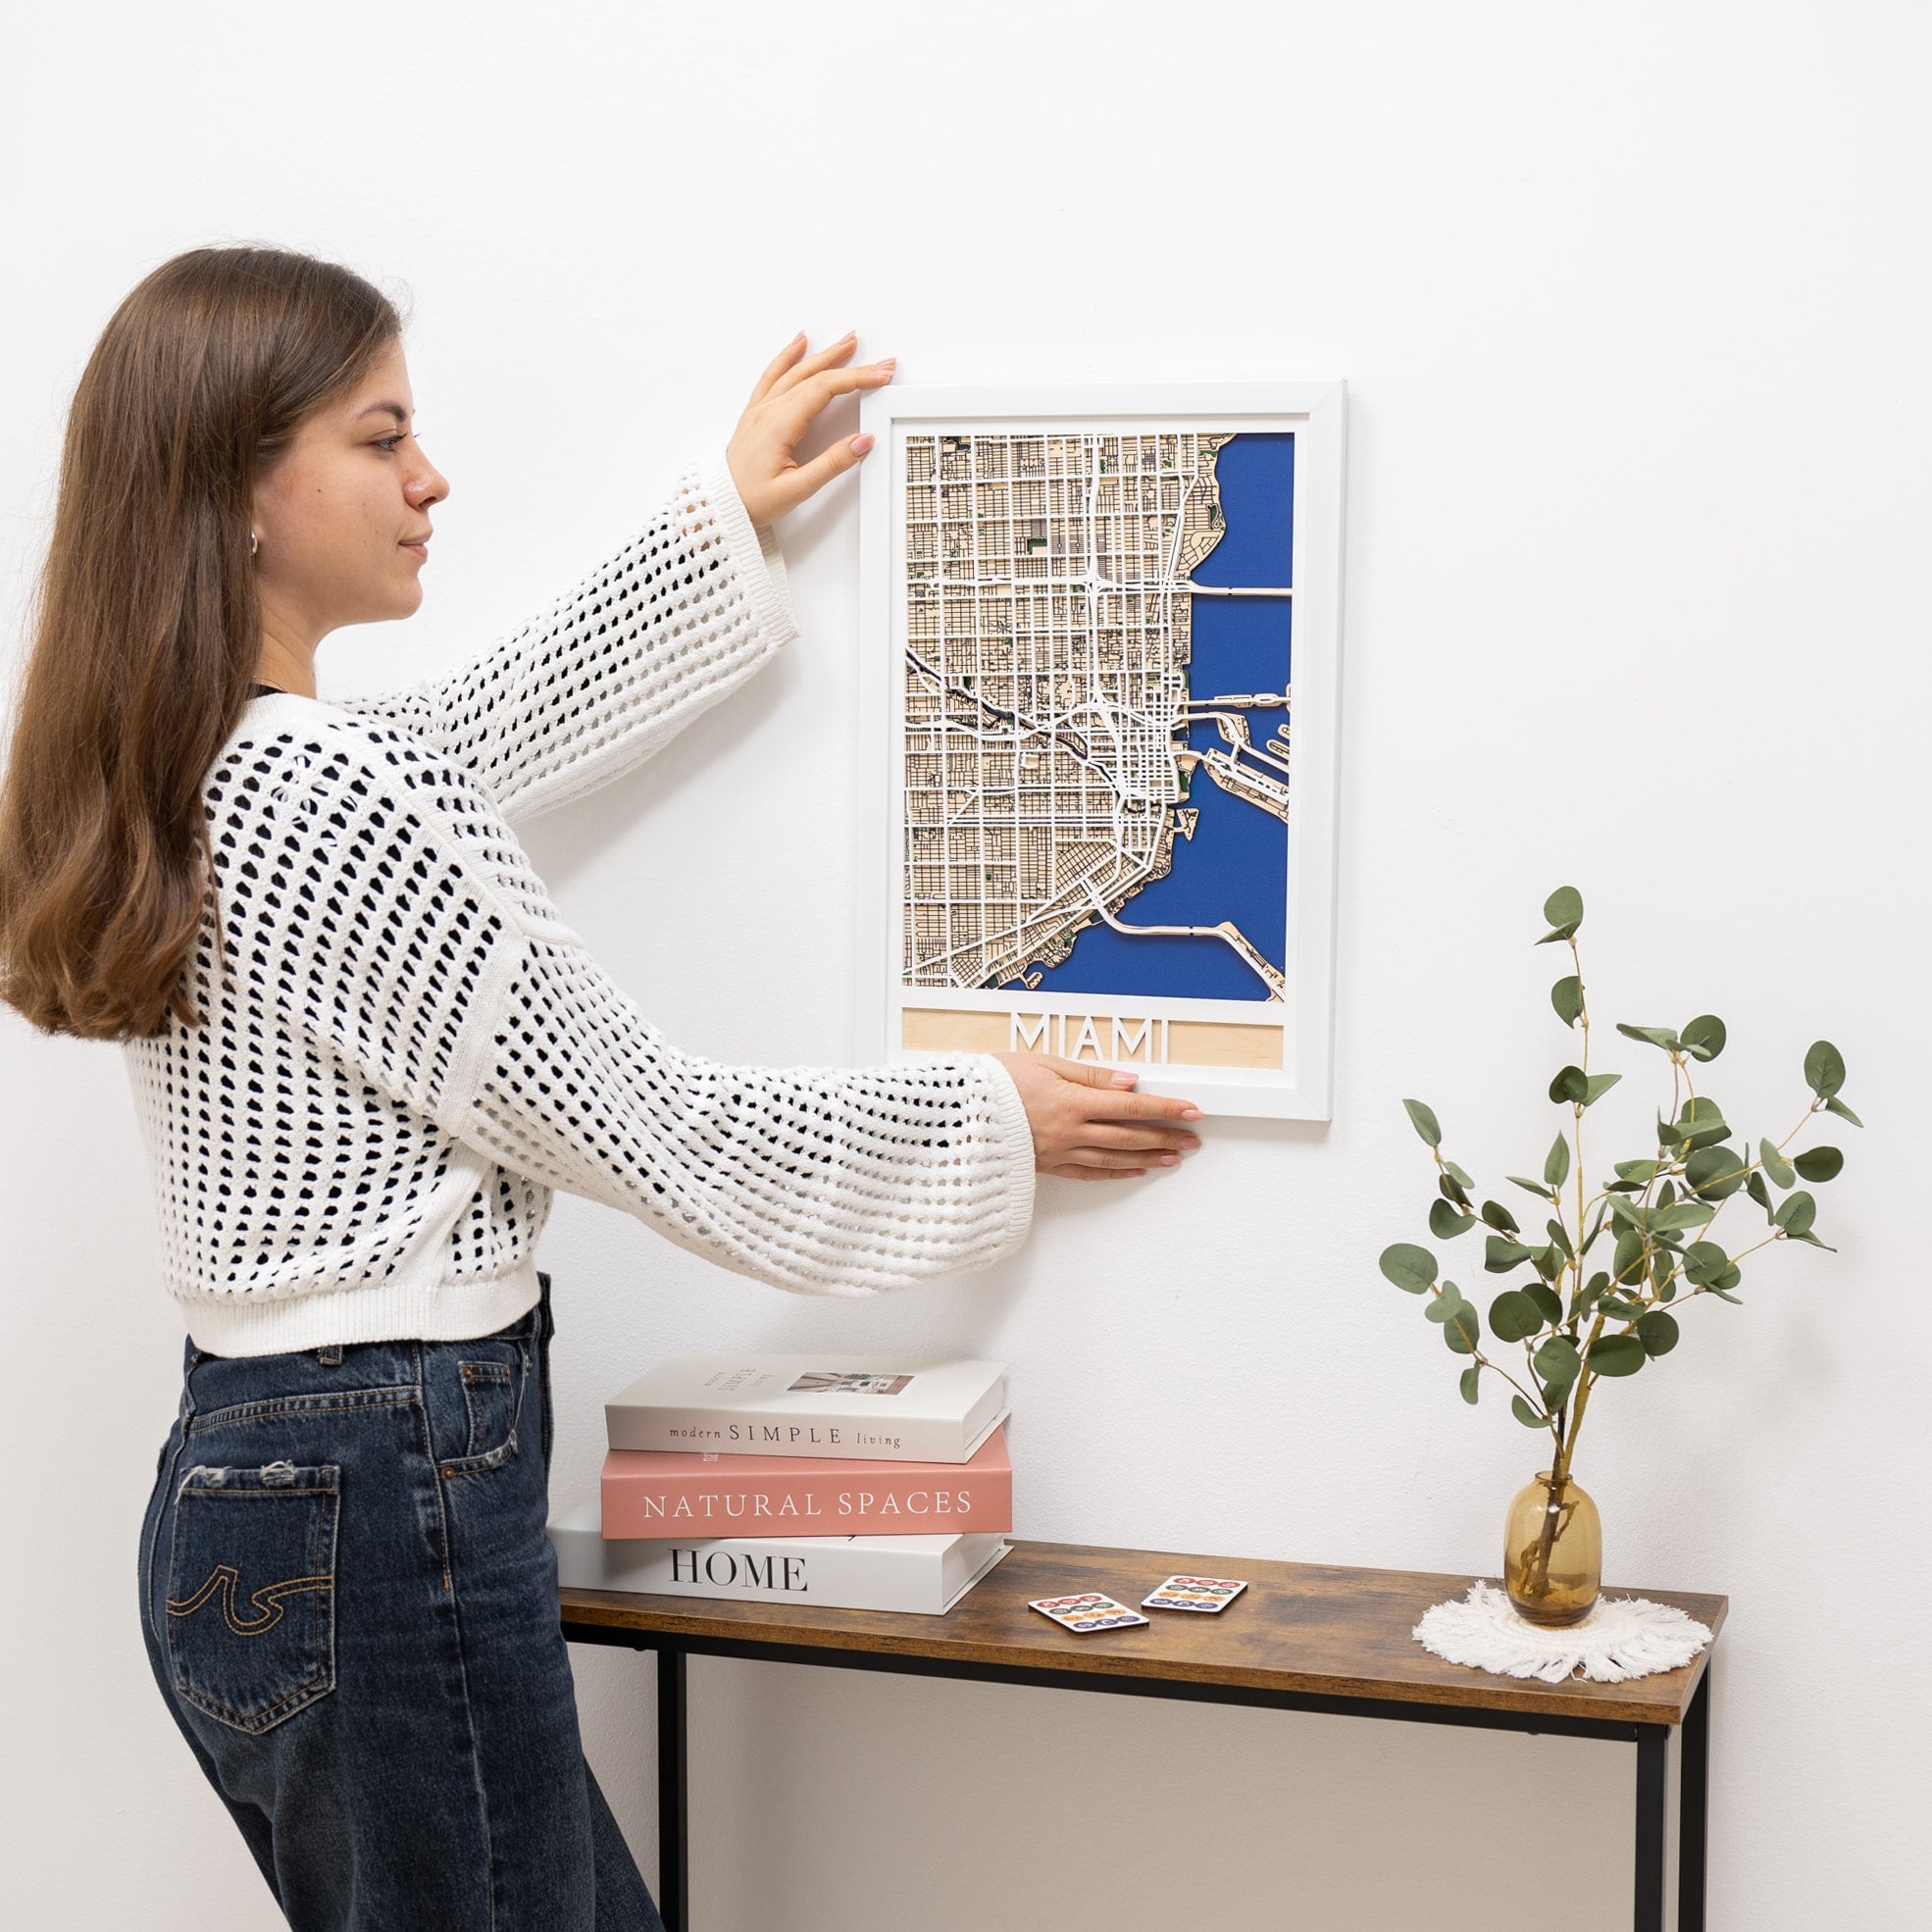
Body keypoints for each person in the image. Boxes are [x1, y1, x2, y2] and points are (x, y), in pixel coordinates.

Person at [0, 244, 1204, 1930]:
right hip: (382, 1492)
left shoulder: (200, 761)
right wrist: (984, 1116)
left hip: (250, 1496)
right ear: (240, 488)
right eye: (379, 436)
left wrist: (718, 521)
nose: (431, 477)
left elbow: (478, 734)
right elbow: (665, 1127)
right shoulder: (316, 791)